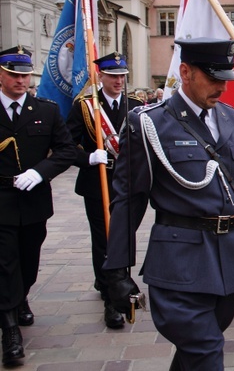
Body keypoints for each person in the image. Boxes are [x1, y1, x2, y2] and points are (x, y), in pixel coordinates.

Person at [102, 38, 234, 371]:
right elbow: (128, 201)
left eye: (226, 78)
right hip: (179, 264)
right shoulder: (149, 123)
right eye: (213, 77)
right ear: (185, 72)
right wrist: (116, 271)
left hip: (228, 262)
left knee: (197, 352)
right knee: (207, 350)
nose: (222, 86)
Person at [0, 46, 76, 366]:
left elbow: (66, 151)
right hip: (1, 201)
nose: (21, 80)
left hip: (33, 202)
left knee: (28, 261)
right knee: (4, 262)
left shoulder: (45, 109)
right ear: (1, 75)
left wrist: (39, 172)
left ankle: (20, 298)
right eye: (14, 74)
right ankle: (9, 329)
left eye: (25, 74)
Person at [66, 52, 144, 329]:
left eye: (122, 76)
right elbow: (66, 145)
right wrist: (88, 157)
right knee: (104, 240)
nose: (119, 81)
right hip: (97, 183)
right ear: (101, 76)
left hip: (128, 184)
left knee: (124, 238)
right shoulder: (87, 107)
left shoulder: (135, 105)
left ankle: (118, 281)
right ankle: (112, 300)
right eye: (113, 76)